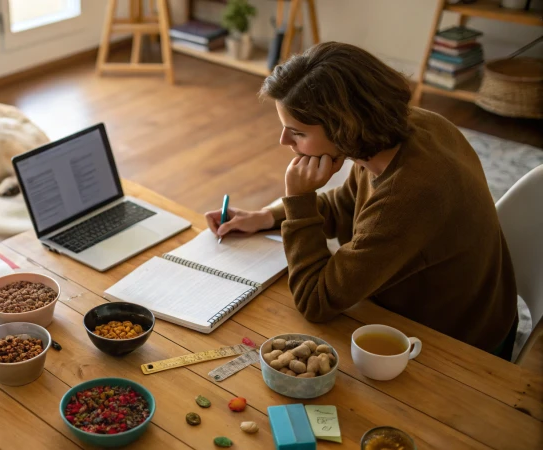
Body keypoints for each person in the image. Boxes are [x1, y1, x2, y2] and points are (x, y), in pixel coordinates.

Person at [205, 42, 517, 358]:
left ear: (344, 127)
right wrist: (266, 216)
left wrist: (298, 199)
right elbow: (345, 206)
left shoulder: (409, 194)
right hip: (472, 310)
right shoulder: (407, 129)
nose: (283, 140)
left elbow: (315, 300)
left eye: (296, 132)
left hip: (459, 347)